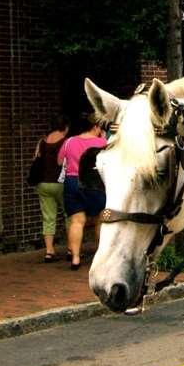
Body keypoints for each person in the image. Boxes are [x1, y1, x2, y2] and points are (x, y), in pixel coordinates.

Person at [57, 113, 107, 270]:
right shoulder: (102, 142)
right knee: (101, 220)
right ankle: (101, 257)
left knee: (77, 221)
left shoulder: (69, 141)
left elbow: (59, 161)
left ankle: (76, 258)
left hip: (72, 182)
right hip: (94, 183)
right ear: (95, 127)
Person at [32, 115, 69, 263]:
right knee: (70, 216)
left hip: (43, 183)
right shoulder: (66, 142)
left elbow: (35, 159)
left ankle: (49, 251)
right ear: (65, 127)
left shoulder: (42, 142)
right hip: (61, 183)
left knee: (48, 217)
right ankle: (72, 249)